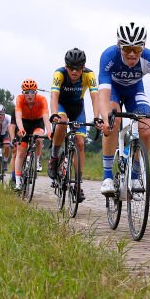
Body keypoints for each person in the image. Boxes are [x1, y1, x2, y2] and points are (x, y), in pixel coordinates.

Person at [96, 23, 150, 196]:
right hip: (113, 91)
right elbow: (102, 94)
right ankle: (107, 176)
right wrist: (104, 117)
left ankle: (135, 173)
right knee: (113, 120)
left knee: (146, 128)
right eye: (127, 48)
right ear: (119, 46)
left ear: (143, 47)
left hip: (135, 91)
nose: (132, 53)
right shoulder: (109, 56)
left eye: (137, 49)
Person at [50, 48, 98, 201]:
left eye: (78, 68)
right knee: (62, 123)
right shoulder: (59, 74)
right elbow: (54, 95)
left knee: (80, 143)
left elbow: (95, 97)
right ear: (66, 67)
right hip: (62, 107)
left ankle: (77, 185)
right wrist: (54, 113)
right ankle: (54, 157)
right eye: (71, 68)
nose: (74, 71)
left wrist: (97, 117)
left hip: (78, 108)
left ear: (83, 67)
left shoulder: (89, 75)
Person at [13, 79, 51, 191]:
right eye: (26, 92)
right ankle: (18, 183)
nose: (29, 95)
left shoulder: (42, 99)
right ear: (23, 93)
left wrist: (49, 131)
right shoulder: (19, 99)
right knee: (20, 152)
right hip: (24, 122)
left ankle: (37, 159)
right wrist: (21, 129)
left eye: (32, 92)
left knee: (38, 138)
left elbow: (46, 117)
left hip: (37, 122)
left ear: (36, 92)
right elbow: (18, 117)